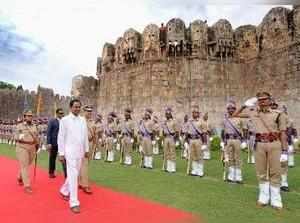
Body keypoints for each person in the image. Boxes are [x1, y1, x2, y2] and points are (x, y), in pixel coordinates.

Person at [234, 92, 288, 210]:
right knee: (261, 172)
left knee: (275, 171)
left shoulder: (278, 114)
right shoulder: (253, 112)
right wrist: (244, 105)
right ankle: (263, 197)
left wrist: (285, 151)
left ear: (270, 100)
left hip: (274, 144)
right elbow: (234, 114)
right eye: (260, 100)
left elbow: (283, 133)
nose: (262, 101)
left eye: (265, 99)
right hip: (259, 144)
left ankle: (276, 200)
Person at [58, 99, 89, 214]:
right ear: (70, 107)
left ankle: (64, 190)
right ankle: (74, 202)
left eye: (79, 107)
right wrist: (61, 153)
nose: (77, 109)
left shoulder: (82, 120)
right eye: (75, 107)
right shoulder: (64, 120)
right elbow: (61, 137)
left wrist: (86, 149)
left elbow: (85, 136)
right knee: (74, 175)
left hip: (80, 152)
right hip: (69, 152)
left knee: (74, 174)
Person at [14, 110, 39, 194]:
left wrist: (37, 144)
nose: (30, 117)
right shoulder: (19, 126)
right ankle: (27, 186)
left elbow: (37, 136)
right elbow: (15, 137)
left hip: (32, 147)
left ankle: (20, 176)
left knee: (27, 164)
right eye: (28, 116)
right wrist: (21, 138)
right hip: (22, 147)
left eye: (31, 116)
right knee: (24, 165)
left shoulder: (35, 126)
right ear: (24, 117)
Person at [220, 100, 245, 183]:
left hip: (237, 139)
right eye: (229, 108)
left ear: (235, 109)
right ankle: (231, 176)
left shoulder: (239, 118)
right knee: (229, 158)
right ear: (227, 109)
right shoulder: (225, 119)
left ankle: (238, 176)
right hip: (228, 140)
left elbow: (243, 130)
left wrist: (244, 140)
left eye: (232, 108)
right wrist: (222, 141)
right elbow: (223, 131)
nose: (231, 110)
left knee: (238, 158)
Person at [78, 105, 96, 194]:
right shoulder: (80, 120)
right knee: (84, 164)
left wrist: (95, 145)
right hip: (82, 144)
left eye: (90, 111)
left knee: (85, 164)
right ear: (84, 111)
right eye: (87, 111)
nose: (89, 113)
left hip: (90, 143)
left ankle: (80, 182)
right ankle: (85, 185)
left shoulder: (93, 122)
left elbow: (95, 134)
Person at [47, 108, 67, 178]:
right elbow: (49, 132)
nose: (62, 114)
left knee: (64, 158)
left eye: (63, 113)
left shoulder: (65, 121)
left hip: (63, 143)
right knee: (52, 158)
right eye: (60, 113)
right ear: (57, 114)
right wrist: (49, 143)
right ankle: (51, 172)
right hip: (54, 142)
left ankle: (66, 174)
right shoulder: (52, 121)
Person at [161, 107, 178, 173]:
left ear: (171, 114)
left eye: (168, 114)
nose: (167, 115)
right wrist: (163, 139)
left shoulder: (174, 122)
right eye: (166, 114)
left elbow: (176, 132)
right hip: (166, 138)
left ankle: (173, 168)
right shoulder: (164, 122)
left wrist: (176, 140)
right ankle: (168, 167)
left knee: (172, 152)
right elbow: (163, 131)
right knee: (166, 153)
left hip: (171, 138)